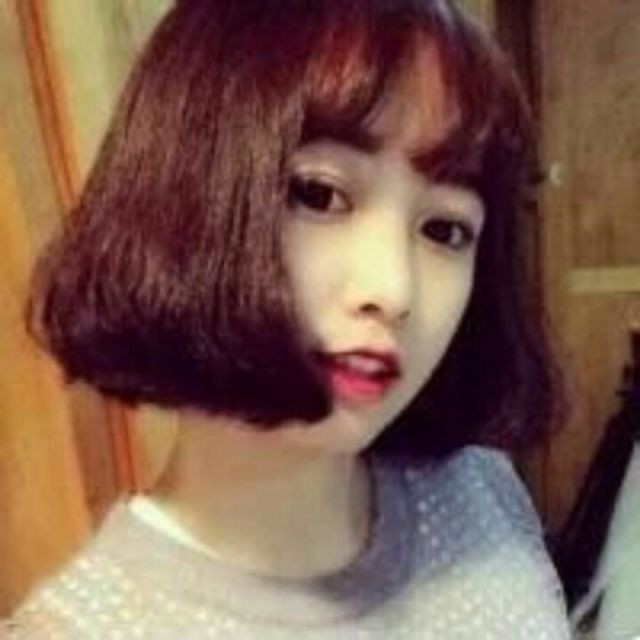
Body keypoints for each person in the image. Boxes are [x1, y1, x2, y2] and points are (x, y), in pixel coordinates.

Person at [3, 0, 571, 637]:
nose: (392, 290)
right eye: (320, 195)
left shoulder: (477, 491)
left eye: (445, 229)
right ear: (181, 195)